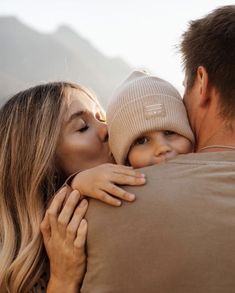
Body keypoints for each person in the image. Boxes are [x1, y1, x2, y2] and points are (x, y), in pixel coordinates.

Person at [80, 5, 235, 293]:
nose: (162, 149)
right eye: (141, 140)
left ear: (201, 83)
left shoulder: (96, 209)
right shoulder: (103, 188)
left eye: (170, 131)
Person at [0, 82, 145, 293]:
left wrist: (73, 185)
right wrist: (63, 279)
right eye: (83, 127)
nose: (107, 129)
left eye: (102, 117)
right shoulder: (19, 275)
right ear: (42, 164)